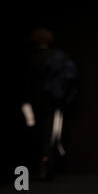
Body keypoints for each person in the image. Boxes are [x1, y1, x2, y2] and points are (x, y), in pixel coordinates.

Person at [21, 28, 78, 181]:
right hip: (52, 100)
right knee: (50, 132)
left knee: (37, 130)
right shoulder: (57, 57)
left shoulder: (31, 57)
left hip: (32, 101)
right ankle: (45, 163)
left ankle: (42, 163)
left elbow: (26, 82)